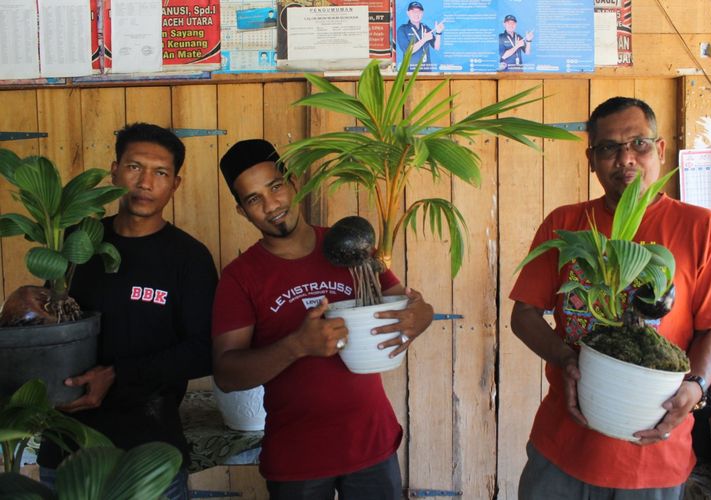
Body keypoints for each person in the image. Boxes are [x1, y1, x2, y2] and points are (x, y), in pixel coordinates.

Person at [509, 97, 711, 499]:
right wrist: (566, 358)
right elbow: (524, 316)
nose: (625, 158)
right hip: (563, 444)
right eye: (608, 148)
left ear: (659, 150)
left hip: (654, 453)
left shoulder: (701, 228)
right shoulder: (565, 224)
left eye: (638, 143)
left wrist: (696, 386)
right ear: (591, 159)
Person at [212, 139, 434, 499]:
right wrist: (296, 346)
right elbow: (226, 374)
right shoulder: (240, 277)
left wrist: (422, 315)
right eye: (254, 200)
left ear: (294, 182)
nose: (271, 206)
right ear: (242, 211)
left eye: (275, 187)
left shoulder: (346, 244)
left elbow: (406, 305)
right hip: (297, 457)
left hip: (371, 446)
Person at [37, 123, 218, 499]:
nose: (145, 182)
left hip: (149, 457)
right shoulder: (77, 244)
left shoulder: (188, 259)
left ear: (175, 184)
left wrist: (115, 375)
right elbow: (47, 332)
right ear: (114, 170)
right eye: (134, 167)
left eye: (161, 172)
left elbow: (203, 351)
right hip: (67, 454)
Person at [396, 1, 445, 71]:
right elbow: (408, 51)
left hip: (426, 71)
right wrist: (424, 39)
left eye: (419, 11)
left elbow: (436, 47)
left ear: (422, 13)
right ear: (408, 13)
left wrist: (438, 33)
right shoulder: (402, 29)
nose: (416, 14)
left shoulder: (425, 28)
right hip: (410, 72)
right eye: (413, 11)